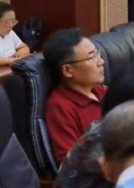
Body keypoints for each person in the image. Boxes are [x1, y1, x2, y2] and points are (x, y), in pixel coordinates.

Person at [43, 29, 107, 163]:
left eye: (97, 53)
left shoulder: (100, 91)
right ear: (67, 70)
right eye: (91, 57)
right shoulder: (61, 106)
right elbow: (70, 162)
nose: (101, 61)